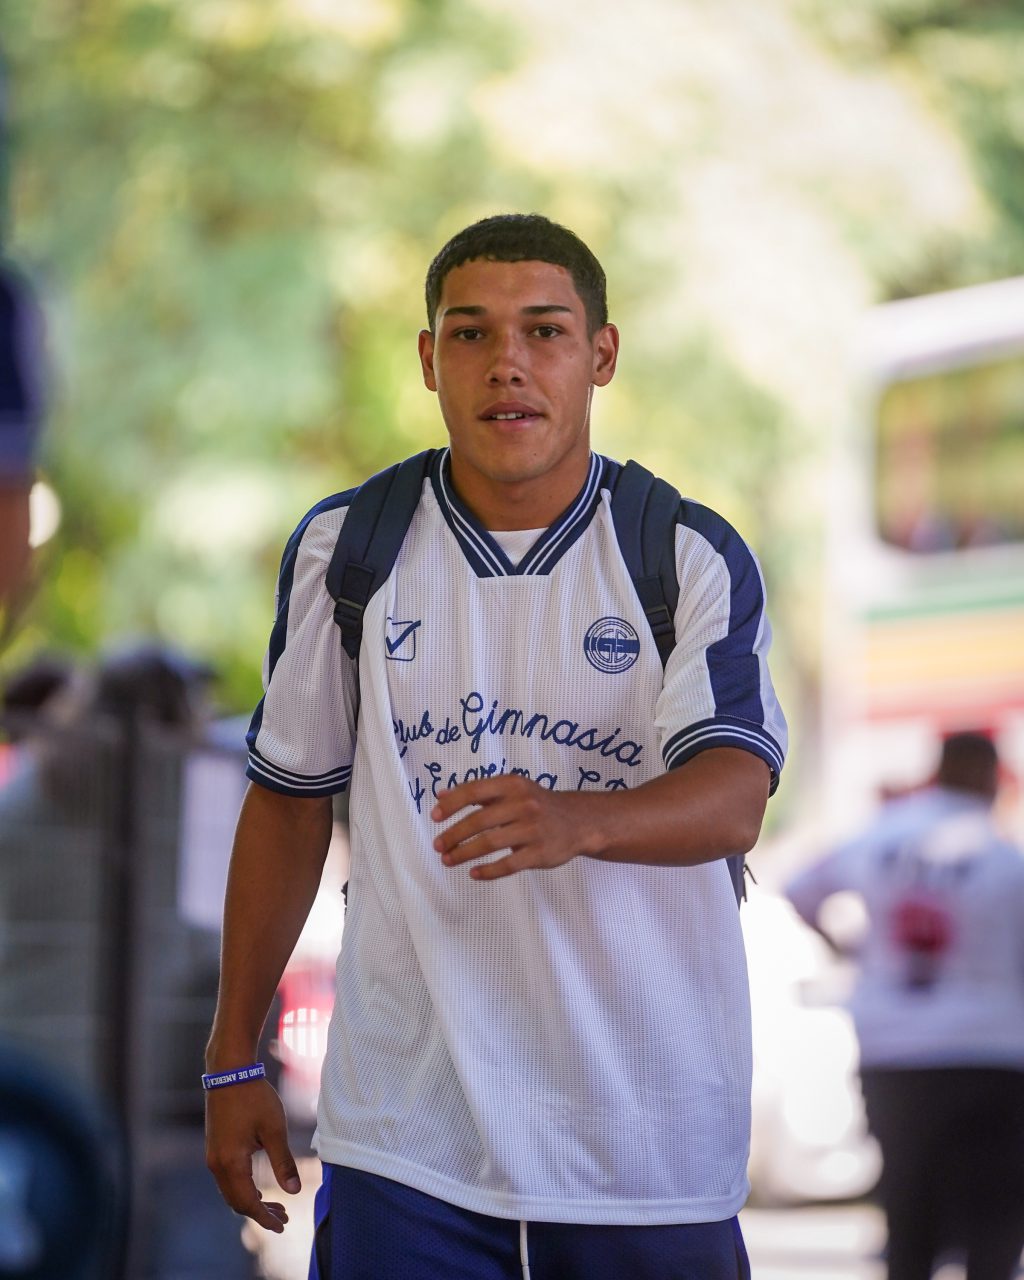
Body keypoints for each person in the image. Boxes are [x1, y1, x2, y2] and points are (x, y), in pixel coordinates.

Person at [205, 213, 788, 1280]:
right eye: (471, 334)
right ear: (430, 359)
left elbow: (733, 797)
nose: (506, 363)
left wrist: (579, 819)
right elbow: (287, 802)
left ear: (601, 354)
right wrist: (230, 1054)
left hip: (643, 1151)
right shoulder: (350, 548)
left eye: (544, 331)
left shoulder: (682, 552)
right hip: (408, 1145)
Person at [785, 733, 1024, 1280]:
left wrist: (854, 951)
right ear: (990, 778)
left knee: (910, 1214)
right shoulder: (1003, 855)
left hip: (897, 1047)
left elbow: (800, 889)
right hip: (993, 1048)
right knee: (995, 1216)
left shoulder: (882, 837)